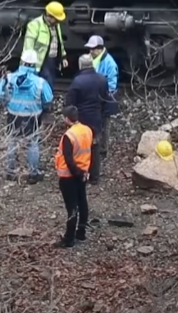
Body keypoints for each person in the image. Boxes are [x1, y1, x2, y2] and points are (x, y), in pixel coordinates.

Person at [0, 48, 53, 184]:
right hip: (33, 117)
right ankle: (33, 173)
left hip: (13, 115)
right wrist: (41, 107)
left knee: (12, 142)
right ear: (34, 64)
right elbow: (48, 99)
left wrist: (6, 102)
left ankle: (11, 171)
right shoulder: (40, 82)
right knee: (33, 144)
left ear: (22, 61)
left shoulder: (8, 78)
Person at [65, 53, 110, 184]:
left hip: (81, 119)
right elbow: (105, 99)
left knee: (79, 147)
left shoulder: (77, 82)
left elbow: (70, 103)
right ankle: (95, 177)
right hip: (96, 118)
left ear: (80, 65)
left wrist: (69, 117)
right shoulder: (102, 79)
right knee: (95, 147)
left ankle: (80, 173)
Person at [54, 106, 92, 248]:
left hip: (69, 176)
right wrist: (85, 173)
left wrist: (77, 173)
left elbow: (69, 159)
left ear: (66, 119)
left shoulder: (68, 136)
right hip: (83, 171)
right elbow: (91, 150)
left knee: (71, 207)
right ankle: (81, 232)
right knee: (82, 201)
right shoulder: (87, 130)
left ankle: (69, 238)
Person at [85, 35, 119, 176]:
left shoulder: (109, 63)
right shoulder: (94, 59)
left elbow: (111, 84)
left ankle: (103, 150)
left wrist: (102, 97)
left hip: (106, 99)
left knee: (105, 124)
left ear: (99, 49)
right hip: (97, 98)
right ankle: (97, 147)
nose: (90, 51)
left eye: (93, 49)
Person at [22, 2, 67, 87]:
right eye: (56, 19)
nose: (58, 21)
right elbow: (28, 47)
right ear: (49, 15)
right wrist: (26, 66)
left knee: (50, 84)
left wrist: (63, 57)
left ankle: (48, 98)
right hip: (40, 62)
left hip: (52, 60)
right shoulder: (35, 25)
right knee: (44, 84)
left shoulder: (56, 25)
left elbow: (59, 42)